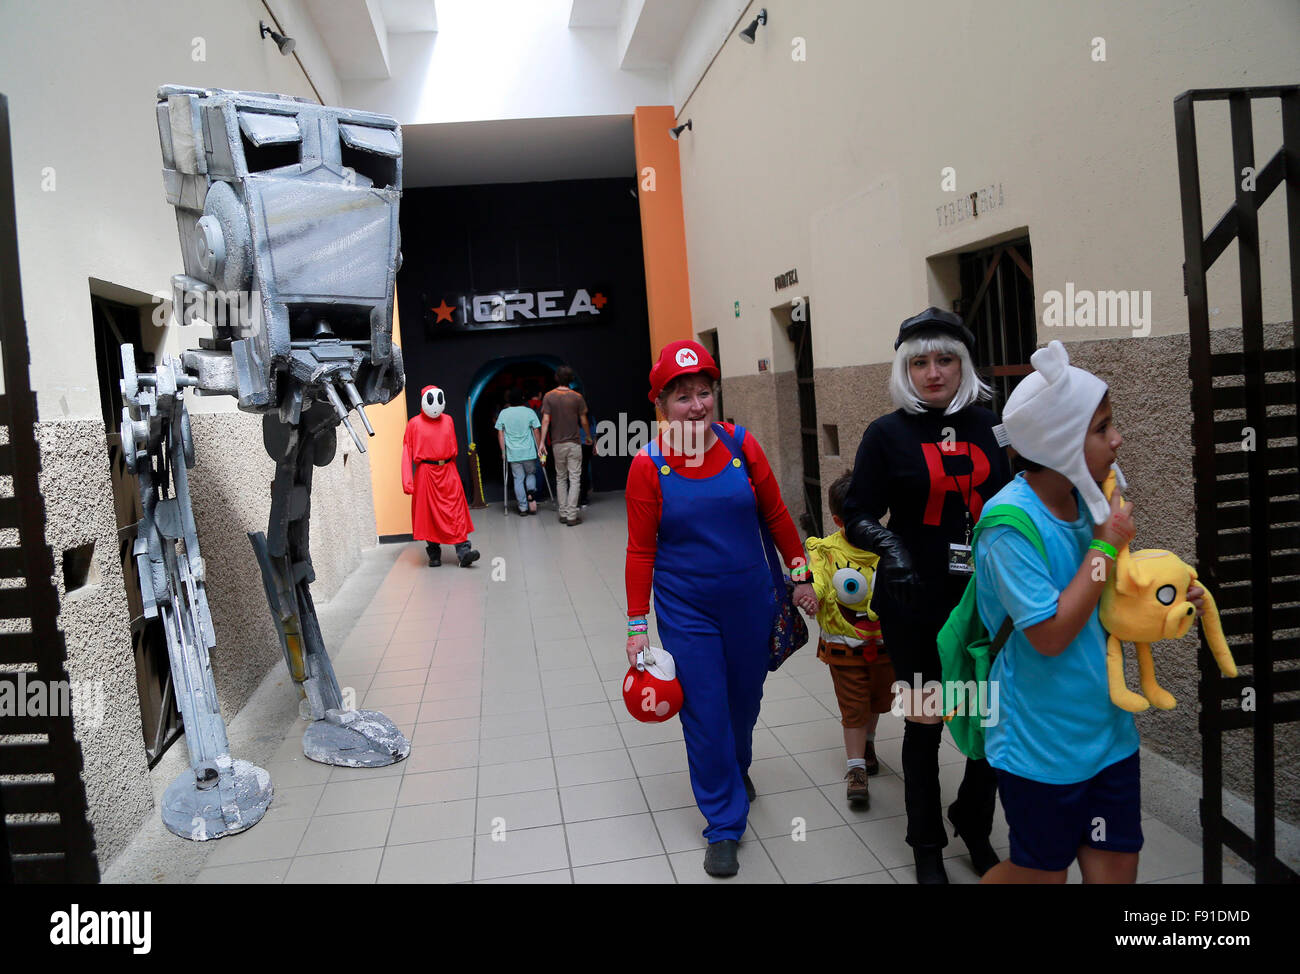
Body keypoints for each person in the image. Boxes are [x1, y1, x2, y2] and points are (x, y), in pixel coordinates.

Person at [974, 340, 1204, 884]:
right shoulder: (1008, 524)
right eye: (1101, 429)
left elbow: (1113, 600)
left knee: (1116, 874)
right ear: (1056, 442)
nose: (1117, 439)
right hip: (1038, 746)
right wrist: (1102, 548)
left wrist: (1166, 598)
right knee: (1042, 875)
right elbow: (1051, 635)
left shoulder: (1094, 500)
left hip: (1108, 736)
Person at [624, 340, 816, 879]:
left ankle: (738, 766)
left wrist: (799, 575)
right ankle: (724, 823)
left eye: (703, 392)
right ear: (661, 404)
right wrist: (638, 625)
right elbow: (640, 551)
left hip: (752, 600)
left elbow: (778, 516)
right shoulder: (649, 465)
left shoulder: (740, 446)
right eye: (681, 396)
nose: (696, 405)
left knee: (743, 700)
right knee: (705, 713)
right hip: (687, 610)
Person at [841, 307, 1011, 883]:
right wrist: (893, 550)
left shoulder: (992, 424)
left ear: (963, 365)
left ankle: (972, 819)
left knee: (987, 717)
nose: (933, 372)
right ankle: (926, 842)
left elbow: (1019, 492)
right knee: (925, 719)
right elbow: (857, 509)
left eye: (945, 360)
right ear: (904, 370)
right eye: (920, 362)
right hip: (913, 600)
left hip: (984, 598)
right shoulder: (885, 435)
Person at [806, 472, 893, 807]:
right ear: (838, 520)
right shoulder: (826, 552)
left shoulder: (889, 546)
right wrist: (810, 594)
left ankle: (868, 743)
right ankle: (856, 769)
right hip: (845, 648)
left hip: (887, 647)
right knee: (854, 708)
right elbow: (821, 582)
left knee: (877, 701)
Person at [401, 384, 480, 568]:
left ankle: (463, 551)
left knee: (456, 510)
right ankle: (434, 554)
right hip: (426, 473)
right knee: (429, 514)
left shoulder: (448, 420)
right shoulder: (414, 424)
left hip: (447, 469)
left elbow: (453, 448)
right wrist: (407, 481)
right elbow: (407, 452)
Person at [540, 366, 591, 526]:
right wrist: (588, 436)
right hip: (574, 443)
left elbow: (546, 420)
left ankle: (562, 513)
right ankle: (571, 515)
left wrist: (542, 441)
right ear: (571, 379)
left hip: (557, 444)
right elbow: (583, 420)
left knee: (560, 477)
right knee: (574, 478)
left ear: (556, 378)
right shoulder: (577, 397)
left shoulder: (549, 396)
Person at [495, 387, 542, 515]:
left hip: (513, 452)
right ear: (522, 398)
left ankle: (523, 507)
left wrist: (503, 451)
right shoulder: (529, 412)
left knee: (518, 478)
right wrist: (540, 447)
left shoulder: (504, 413)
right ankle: (531, 493)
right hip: (528, 451)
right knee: (531, 474)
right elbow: (536, 430)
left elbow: (500, 433)